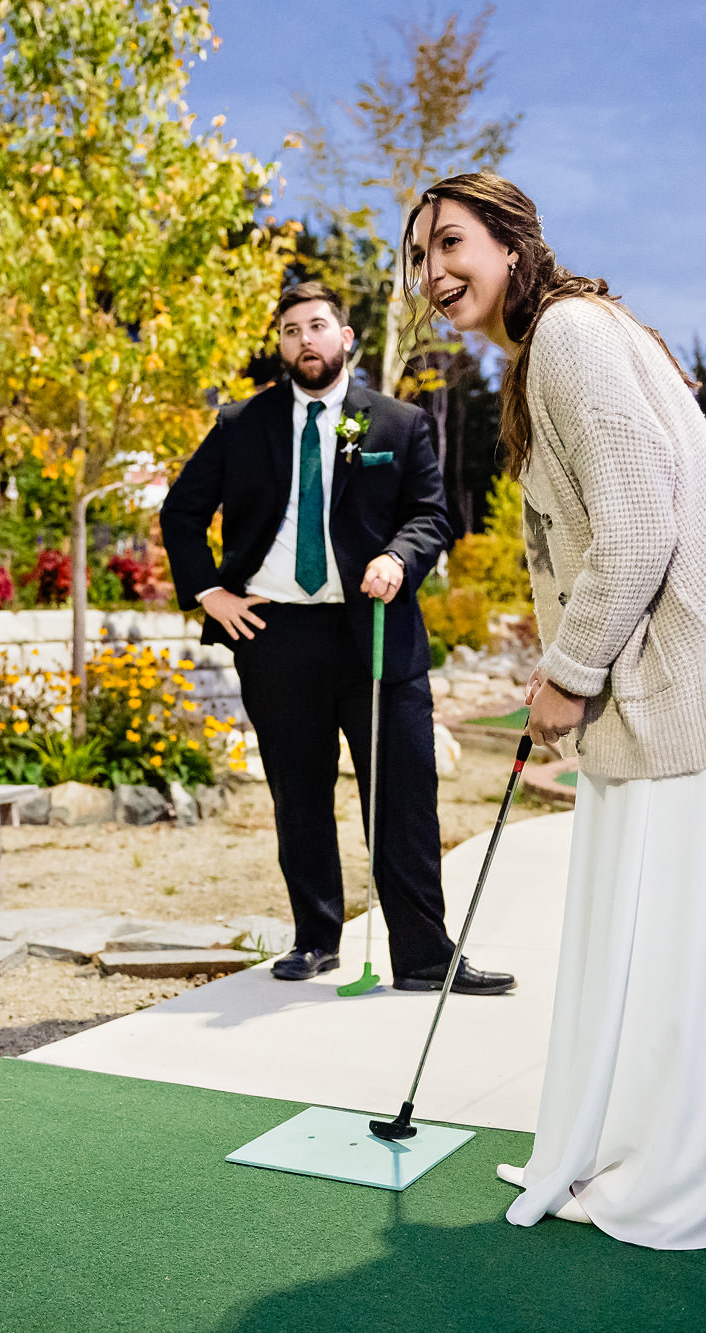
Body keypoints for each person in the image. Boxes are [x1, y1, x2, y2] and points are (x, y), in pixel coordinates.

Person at [405, 173, 706, 1270]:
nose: (434, 272)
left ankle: (688, 1166)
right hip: (698, 664)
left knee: (698, 926)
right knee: (677, 923)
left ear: (513, 243)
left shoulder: (569, 334)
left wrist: (568, 676)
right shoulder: (554, 349)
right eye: (420, 257)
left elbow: (635, 525)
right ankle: (640, 1139)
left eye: (451, 242)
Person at [160, 281, 515, 995]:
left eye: (317, 326)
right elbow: (181, 512)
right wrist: (212, 593)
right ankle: (315, 939)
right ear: (282, 346)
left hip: (377, 633)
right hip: (276, 633)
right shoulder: (240, 424)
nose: (304, 340)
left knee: (405, 797)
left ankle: (421, 957)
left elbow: (430, 516)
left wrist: (398, 558)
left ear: (346, 337)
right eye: (290, 330)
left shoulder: (399, 422)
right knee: (300, 793)